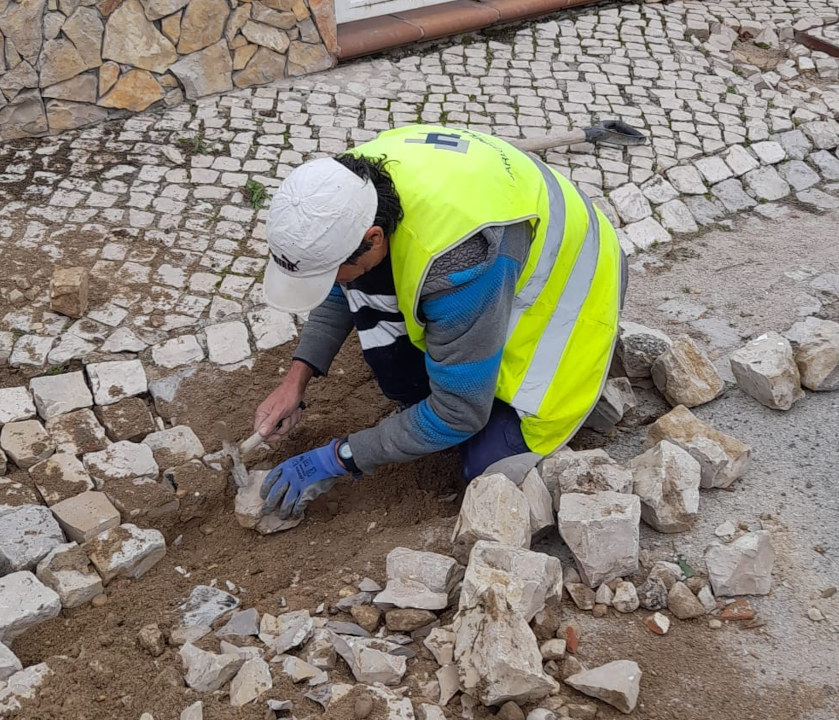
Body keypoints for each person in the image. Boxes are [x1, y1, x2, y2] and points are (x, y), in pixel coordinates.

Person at [255, 125, 624, 520]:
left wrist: (339, 457)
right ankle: (456, 369)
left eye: (331, 272)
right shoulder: (346, 188)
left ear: (374, 238)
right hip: (497, 248)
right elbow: (337, 286)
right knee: (389, 340)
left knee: (486, 467)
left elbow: (459, 413)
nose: (331, 283)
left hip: (569, 291)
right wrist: (295, 380)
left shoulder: (458, 262)